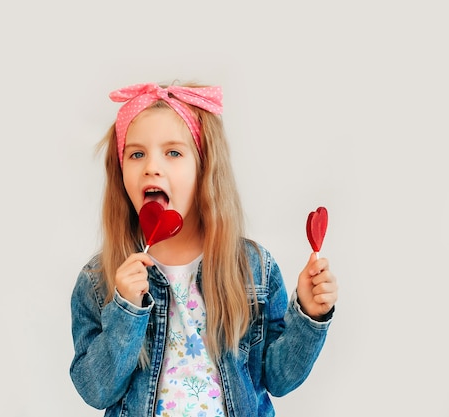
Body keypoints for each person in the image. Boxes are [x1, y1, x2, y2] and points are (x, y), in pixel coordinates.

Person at [69, 82, 338, 417]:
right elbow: (96, 390)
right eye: (136, 154)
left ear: (205, 169)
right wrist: (126, 309)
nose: (152, 166)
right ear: (120, 172)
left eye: (173, 152)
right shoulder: (100, 280)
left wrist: (310, 316)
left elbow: (279, 378)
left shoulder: (254, 268)